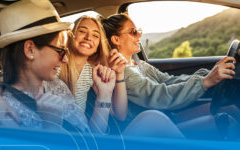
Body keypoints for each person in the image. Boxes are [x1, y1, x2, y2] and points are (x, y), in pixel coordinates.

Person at [0, 0, 117, 134]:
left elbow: (90, 137)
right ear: (30, 50)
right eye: (60, 51)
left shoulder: (57, 86)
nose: (65, 60)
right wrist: (52, 126)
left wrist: (104, 95)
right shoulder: (4, 110)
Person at [101, 13, 240, 139]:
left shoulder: (139, 64)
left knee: (229, 109)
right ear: (116, 39)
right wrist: (206, 81)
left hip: (167, 115)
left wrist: (207, 75)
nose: (139, 36)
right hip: (152, 129)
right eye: (133, 32)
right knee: (229, 120)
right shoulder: (126, 73)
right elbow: (161, 95)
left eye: (139, 31)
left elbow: (168, 80)